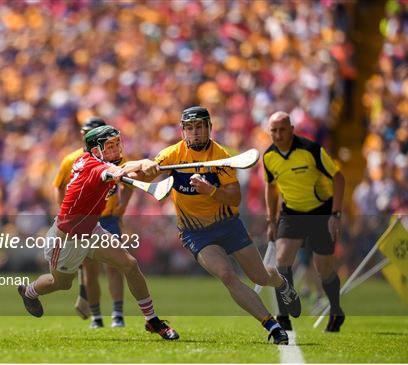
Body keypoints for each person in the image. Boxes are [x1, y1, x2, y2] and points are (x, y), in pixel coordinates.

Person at [129, 106, 300, 345]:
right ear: (183, 132)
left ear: (209, 128)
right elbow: (144, 177)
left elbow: (234, 197)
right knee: (227, 275)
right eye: (190, 128)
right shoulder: (171, 155)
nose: (195, 133)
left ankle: (282, 284)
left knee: (260, 276)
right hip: (194, 233)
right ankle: (272, 326)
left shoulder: (221, 156)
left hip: (227, 225)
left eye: (199, 127)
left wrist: (210, 190)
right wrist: (142, 168)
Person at [18, 125, 179, 340]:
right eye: (109, 146)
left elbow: (123, 168)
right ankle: (29, 292)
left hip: (92, 231)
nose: (115, 150)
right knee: (62, 284)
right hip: (67, 238)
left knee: (129, 264)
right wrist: (137, 167)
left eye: (116, 144)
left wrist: (143, 163)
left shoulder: (97, 161)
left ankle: (152, 320)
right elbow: (113, 172)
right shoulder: (93, 167)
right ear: (95, 150)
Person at [263, 111, 346, 332]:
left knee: (324, 268)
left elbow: (338, 178)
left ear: (291, 129)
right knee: (282, 259)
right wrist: (271, 220)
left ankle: (336, 310)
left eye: (282, 129)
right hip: (291, 213)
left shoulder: (312, 151)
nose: (278, 135)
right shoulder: (269, 157)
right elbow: (271, 188)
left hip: (321, 212)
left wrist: (335, 215)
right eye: (274, 130)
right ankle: (283, 316)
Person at [53, 117, 132, 328]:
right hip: (84, 221)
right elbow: (60, 189)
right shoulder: (71, 160)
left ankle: (117, 314)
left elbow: (129, 183)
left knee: (116, 266)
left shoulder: (115, 156)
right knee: (90, 270)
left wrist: (122, 207)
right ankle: (97, 317)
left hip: (108, 218)